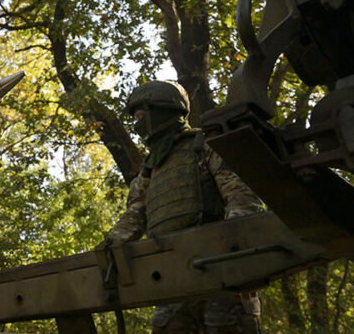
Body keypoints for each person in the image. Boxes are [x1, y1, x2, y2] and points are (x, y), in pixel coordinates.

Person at [100, 80, 265, 333]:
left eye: (142, 115)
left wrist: (235, 257)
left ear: (164, 110)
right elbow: (132, 220)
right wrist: (111, 247)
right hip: (173, 279)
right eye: (135, 118)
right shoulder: (149, 171)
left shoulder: (205, 146)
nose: (138, 124)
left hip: (221, 272)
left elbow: (242, 199)